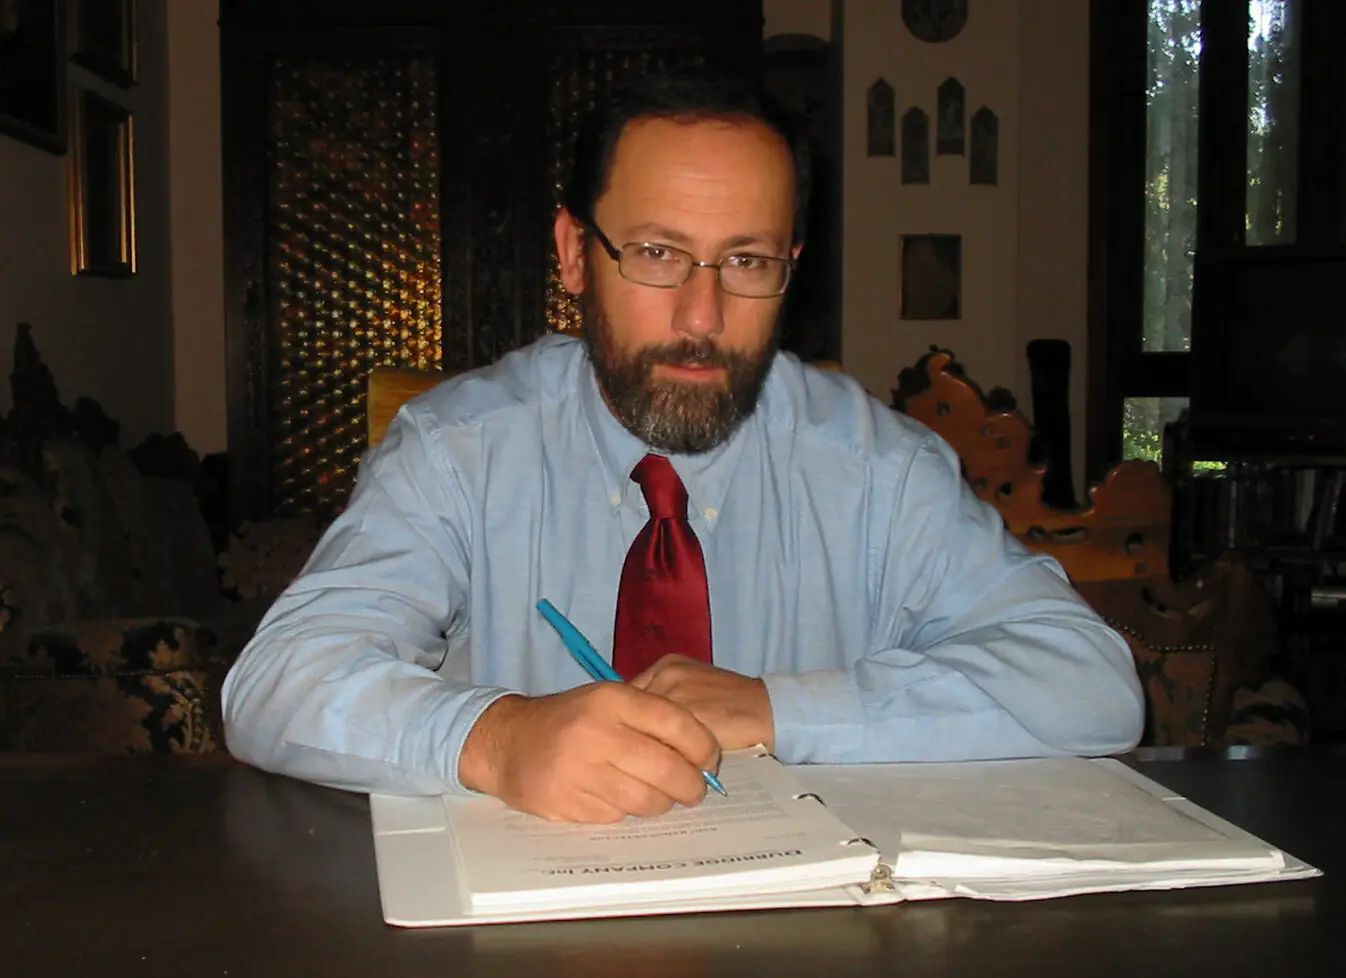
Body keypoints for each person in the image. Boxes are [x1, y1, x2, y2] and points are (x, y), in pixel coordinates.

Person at [222, 71, 1144, 824]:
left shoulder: (880, 469)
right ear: (575, 253)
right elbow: (275, 684)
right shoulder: (457, 451)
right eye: (658, 253)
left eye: (746, 261)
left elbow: (1093, 687)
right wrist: (496, 740)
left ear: (790, 268)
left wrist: (780, 708)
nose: (702, 318)